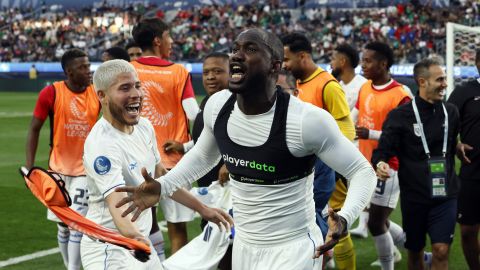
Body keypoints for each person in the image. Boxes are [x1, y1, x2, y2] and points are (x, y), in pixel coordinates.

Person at [116, 28, 377, 270]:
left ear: (275, 66)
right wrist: (163, 186)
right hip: (244, 245)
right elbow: (203, 157)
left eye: (250, 49)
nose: (236, 55)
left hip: (293, 248)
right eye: (235, 48)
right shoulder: (218, 106)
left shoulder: (305, 120)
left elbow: (362, 171)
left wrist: (344, 218)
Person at [80, 59, 231, 269]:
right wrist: (134, 237)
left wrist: (203, 209)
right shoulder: (102, 145)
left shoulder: (144, 126)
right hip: (110, 247)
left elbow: (162, 180)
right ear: (102, 96)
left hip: (139, 243)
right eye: (125, 88)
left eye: (137, 86)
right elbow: (116, 204)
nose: (136, 94)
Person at [372, 57, 460, 270]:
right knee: (415, 252)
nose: (445, 84)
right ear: (422, 82)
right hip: (415, 197)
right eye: (439, 79)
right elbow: (383, 150)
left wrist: (460, 146)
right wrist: (381, 163)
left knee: (441, 250)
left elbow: (450, 143)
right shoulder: (400, 116)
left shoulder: (451, 112)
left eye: (445, 79)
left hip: (445, 196)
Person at [282, 32, 356, 270]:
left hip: (328, 171)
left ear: (303, 56)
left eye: (287, 59)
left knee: (335, 226)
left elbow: (346, 128)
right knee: (316, 226)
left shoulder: (327, 85)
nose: (284, 64)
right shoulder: (302, 84)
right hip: (308, 170)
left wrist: (331, 163)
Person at [25, 48, 100, 270]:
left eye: (89, 66)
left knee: (76, 223)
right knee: (63, 225)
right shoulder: (51, 93)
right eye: (83, 67)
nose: (89, 71)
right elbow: (34, 129)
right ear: (69, 71)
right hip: (57, 170)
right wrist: (31, 169)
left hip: (85, 171)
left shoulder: (97, 93)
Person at [131, 18, 200, 256]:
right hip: (173, 164)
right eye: (169, 36)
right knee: (177, 228)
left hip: (137, 163)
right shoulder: (178, 72)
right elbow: (194, 114)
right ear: (158, 40)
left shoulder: (128, 69)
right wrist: (187, 145)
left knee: (141, 225)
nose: (172, 42)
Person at [162, 52, 232, 270]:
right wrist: (184, 147)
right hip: (208, 191)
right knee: (212, 245)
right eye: (206, 72)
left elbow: (249, 140)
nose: (210, 77)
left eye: (218, 71)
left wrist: (230, 163)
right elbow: (206, 144)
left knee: (227, 249)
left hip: (229, 194)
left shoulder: (236, 104)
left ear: (232, 74)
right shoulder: (208, 104)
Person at [354, 42, 411, 269]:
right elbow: (355, 116)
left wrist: (371, 133)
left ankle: (390, 264)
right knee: (379, 219)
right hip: (367, 162)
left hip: (389, 166)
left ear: (383, 63)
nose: (363, 64)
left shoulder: (401, 95)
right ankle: (419, 253)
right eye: (363, 59)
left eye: (368, 60)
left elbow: (404, 136)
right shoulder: (365, 87)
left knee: (376, 223)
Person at [329, 44, 369, 239]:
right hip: (342, 143)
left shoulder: (362, 85)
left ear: (343, 61)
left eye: (334, 58)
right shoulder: (337, 85)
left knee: (358, 185)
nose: (331, 62)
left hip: (359, 142)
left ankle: (362, 225)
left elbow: (356, 114)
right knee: (341, 190)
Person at [447, 49, 480, 270]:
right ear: (477, 62)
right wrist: (456, 144)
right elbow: (444, 125)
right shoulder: (464, 91)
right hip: (473, 171)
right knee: (468, 230)